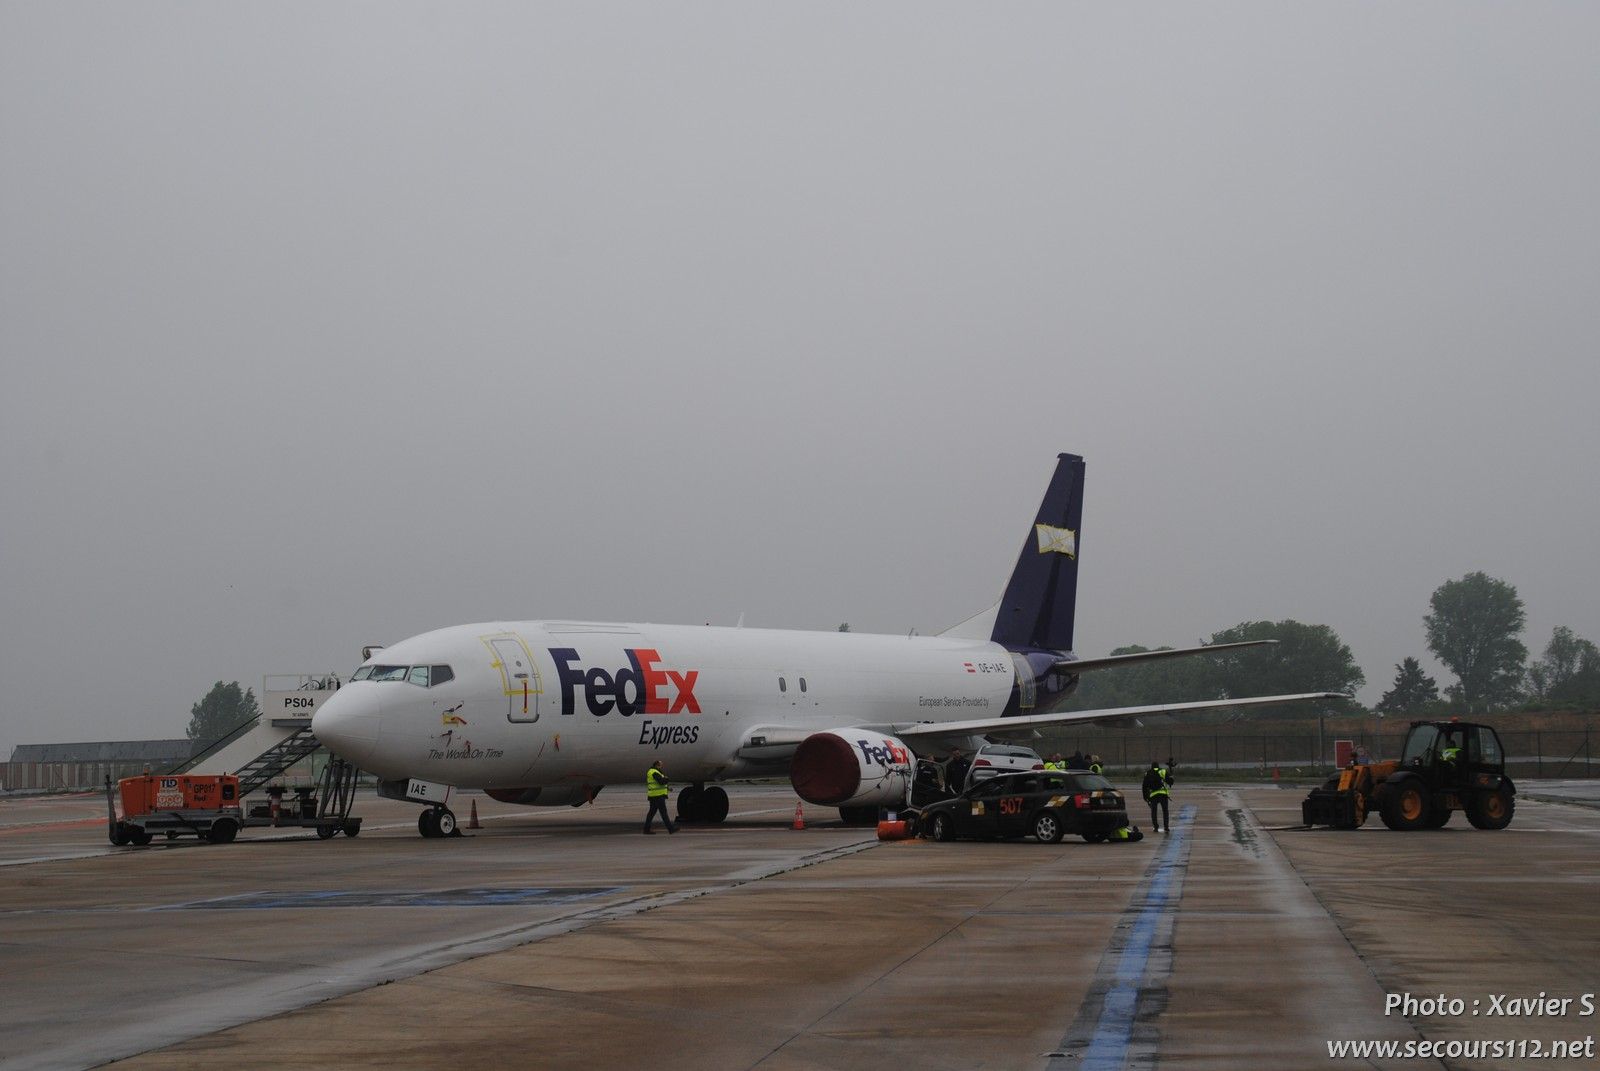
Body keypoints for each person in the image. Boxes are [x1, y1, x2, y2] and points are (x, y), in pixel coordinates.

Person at [643, 760, 677, 834]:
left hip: (654, 795)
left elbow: (659, 783)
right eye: (660, 765)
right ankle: (671, 829)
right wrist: (667, 779)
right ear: (657, 765)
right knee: (663, 813)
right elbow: (661, 782)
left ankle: (646, 829)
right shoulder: (654, 772)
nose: (661, 766)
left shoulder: (655, 771)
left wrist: (667, 788)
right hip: (658, 796)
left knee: (651, 813)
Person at [1142, 759, 1172, 833]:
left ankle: (1155, 827)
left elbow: (1144, 786)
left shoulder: (1147, 773)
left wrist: (1145, 797)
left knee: (1154, 812)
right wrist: (1171, 777)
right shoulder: (1163, 771)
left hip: (1153, 795)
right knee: (1165, 811)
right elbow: (1170, 781)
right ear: (1158, 766)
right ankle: (1166, 827)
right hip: (1163, 794)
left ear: (1151, 767)